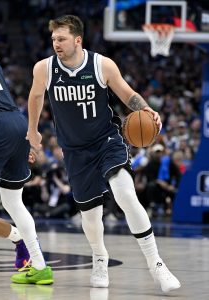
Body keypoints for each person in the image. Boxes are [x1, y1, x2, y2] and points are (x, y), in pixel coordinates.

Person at [26, 15, 180, 292]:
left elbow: (127, 93)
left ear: (77, 40)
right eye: (53, 40)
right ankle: (99, 256)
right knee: (91, 215)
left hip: (106, 140)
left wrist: (145, 109)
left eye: (60, 39)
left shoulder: (101, 64)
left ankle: (156, 263)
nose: (55, 44)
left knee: (125, 193)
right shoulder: (44, 69)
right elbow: (35, 97)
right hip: (74, 150)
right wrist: (33, 130)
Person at [0, 58, 53, 284]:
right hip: (17, 123)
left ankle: (21, 244)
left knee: (13, 202)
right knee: (12, 202)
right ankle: (39, 265)